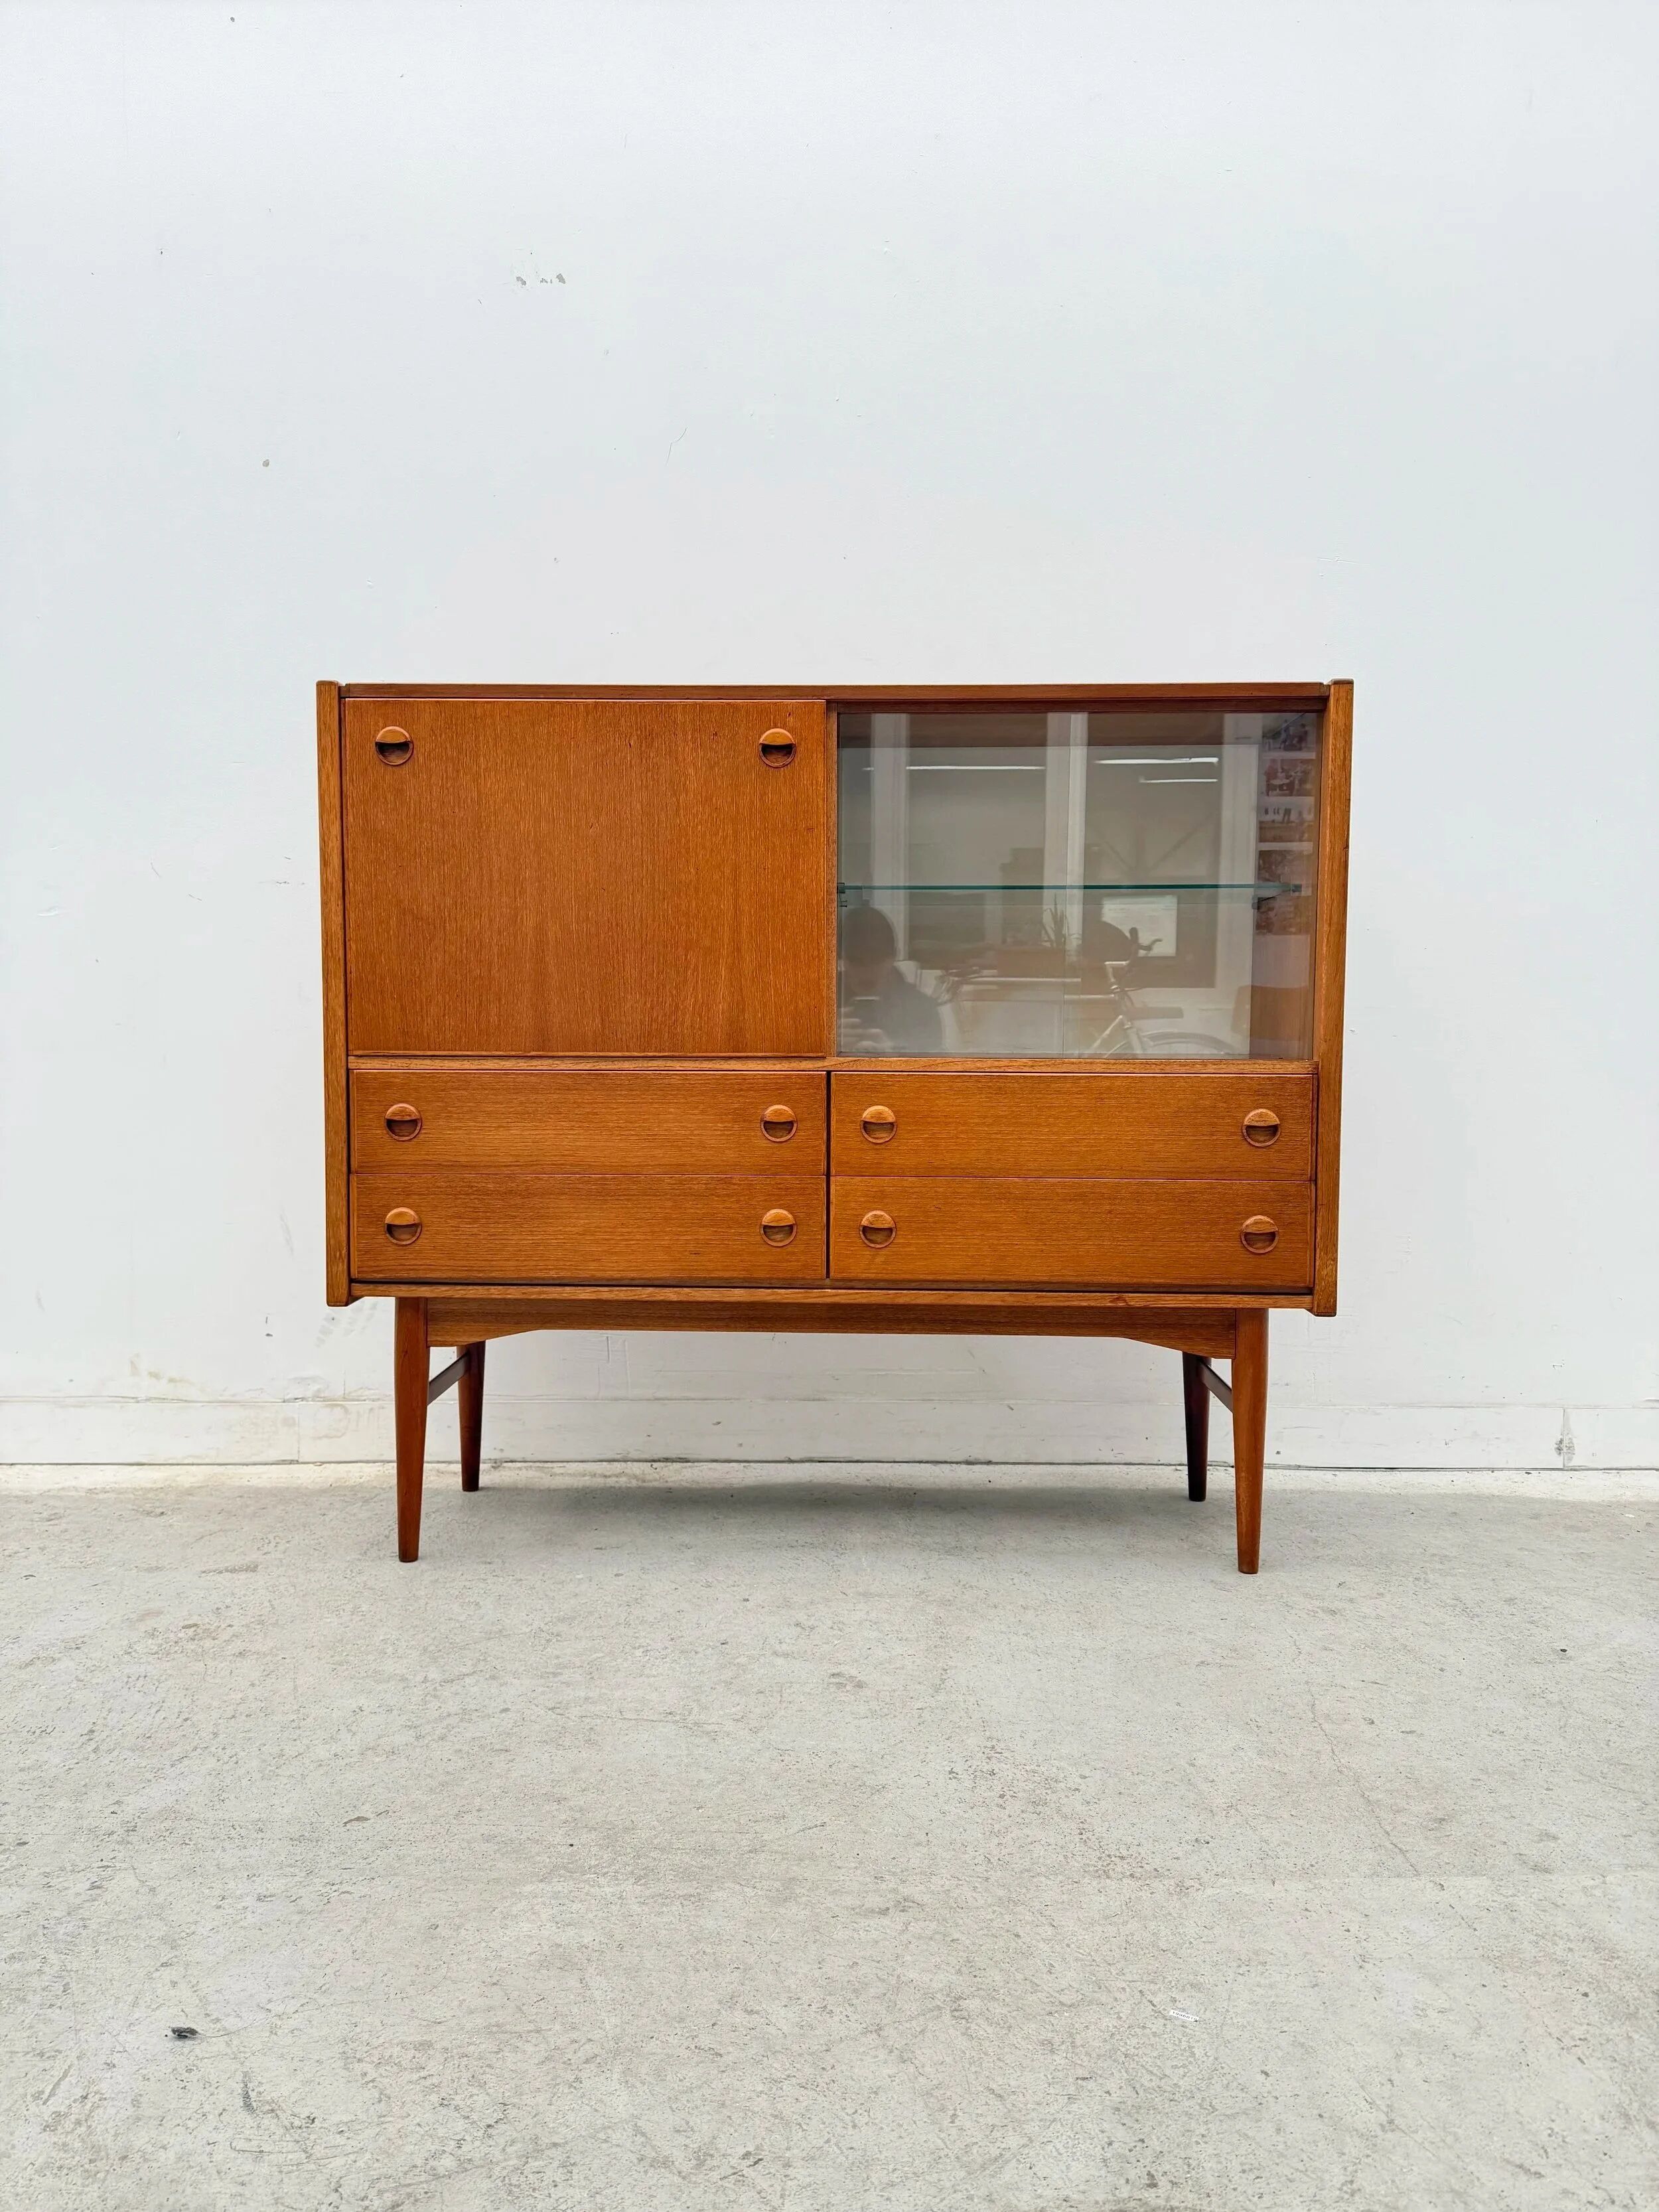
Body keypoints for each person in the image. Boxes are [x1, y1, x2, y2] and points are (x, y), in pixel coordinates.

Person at [838, 904, 944, 1053]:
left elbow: (934, 1071)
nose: (867, 970)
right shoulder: (820, 1005)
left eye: (876, 960)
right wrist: (830, 1047)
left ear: (894, 957)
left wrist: (894, 1057)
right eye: (857, 961)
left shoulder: (921, 1008)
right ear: (842, 958)